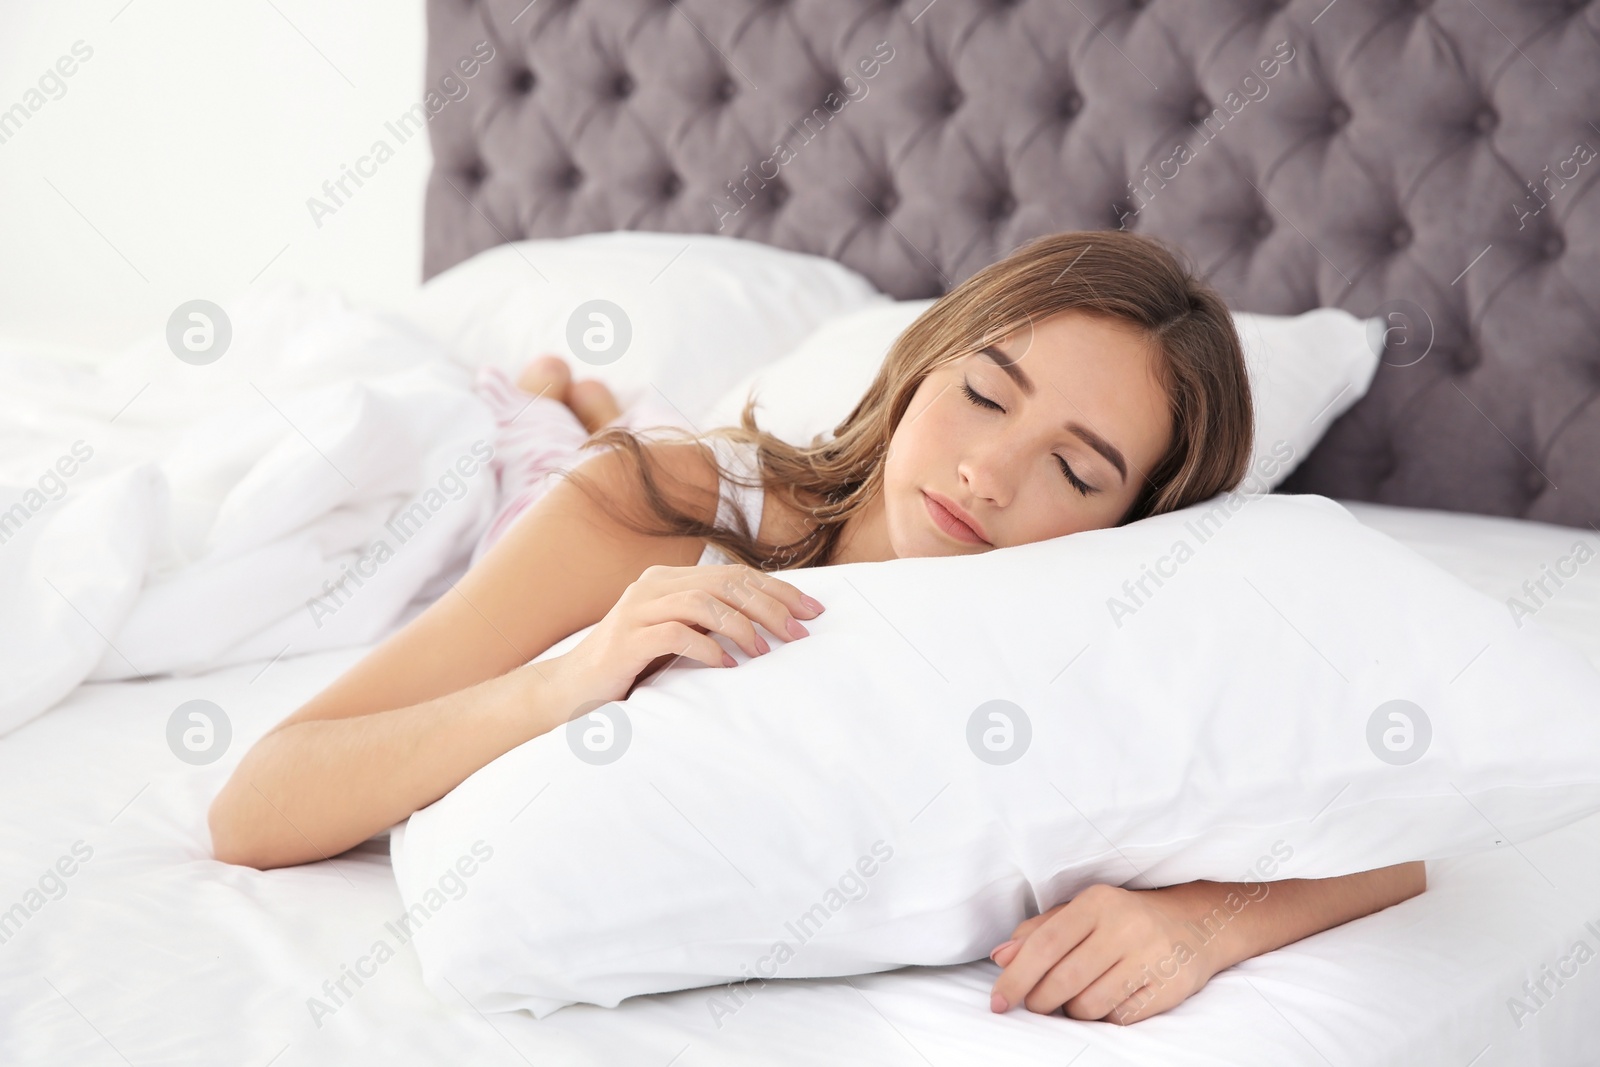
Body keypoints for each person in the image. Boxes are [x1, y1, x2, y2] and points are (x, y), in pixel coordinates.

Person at [209, 230, 1424, 1024]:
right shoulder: (654, 503)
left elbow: (1401, 838)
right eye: (983, 393)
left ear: (1135, 521)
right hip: (579, 505)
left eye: (1077, 465)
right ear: (918, 368)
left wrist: (1200, 918)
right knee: (546, 443)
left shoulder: (1105, 617)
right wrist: (570, 676)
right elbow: (256, 802)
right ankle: (550, 400)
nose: (988, 474)